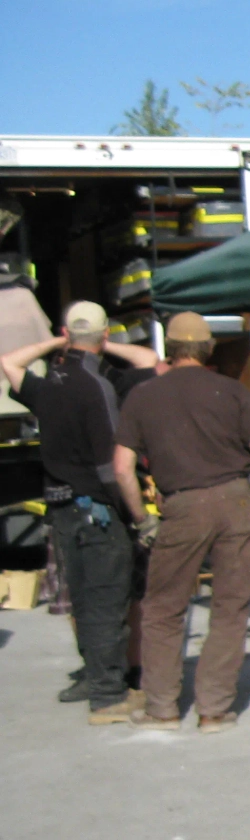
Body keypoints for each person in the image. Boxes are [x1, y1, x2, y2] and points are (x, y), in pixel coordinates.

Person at [113, 312, 250, 733]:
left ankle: (163, 708)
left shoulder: (143, 396)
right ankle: (213, 710)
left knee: (163, 610)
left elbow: (121, 468)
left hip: (181, 506)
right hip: (233, 500)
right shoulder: (231, 392)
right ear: (208, 348)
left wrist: (141, 519)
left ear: (170, 347)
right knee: (229, 607)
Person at [1, 301, 157, 722]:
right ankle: (109, 696)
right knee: (109, 601)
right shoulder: (97, 386)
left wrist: (60, 340)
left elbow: (9, 362)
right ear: (106, 335)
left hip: (63, 513)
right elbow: (110, 465)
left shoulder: (51, 382)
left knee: (86, 603)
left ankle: (94, 676)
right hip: (99, 511)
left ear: (66, 335)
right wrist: (136, 514)